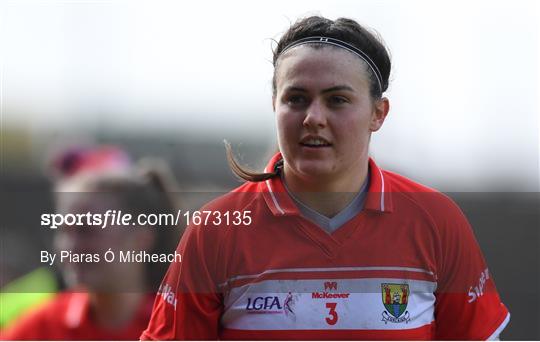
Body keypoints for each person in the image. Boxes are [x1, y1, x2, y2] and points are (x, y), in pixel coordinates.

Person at [141, 16, 509, 340]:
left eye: (337, 100)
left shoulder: (436, 220)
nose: (313, 117)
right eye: (296, 98)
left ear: (378, 114)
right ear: (275, 105)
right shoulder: (216, 229)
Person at [1, 146, 180, 340]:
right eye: (64, 231)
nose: (71, 246)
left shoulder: (182, 327)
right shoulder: (40, 329)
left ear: (141, 239)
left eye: (87, 230)